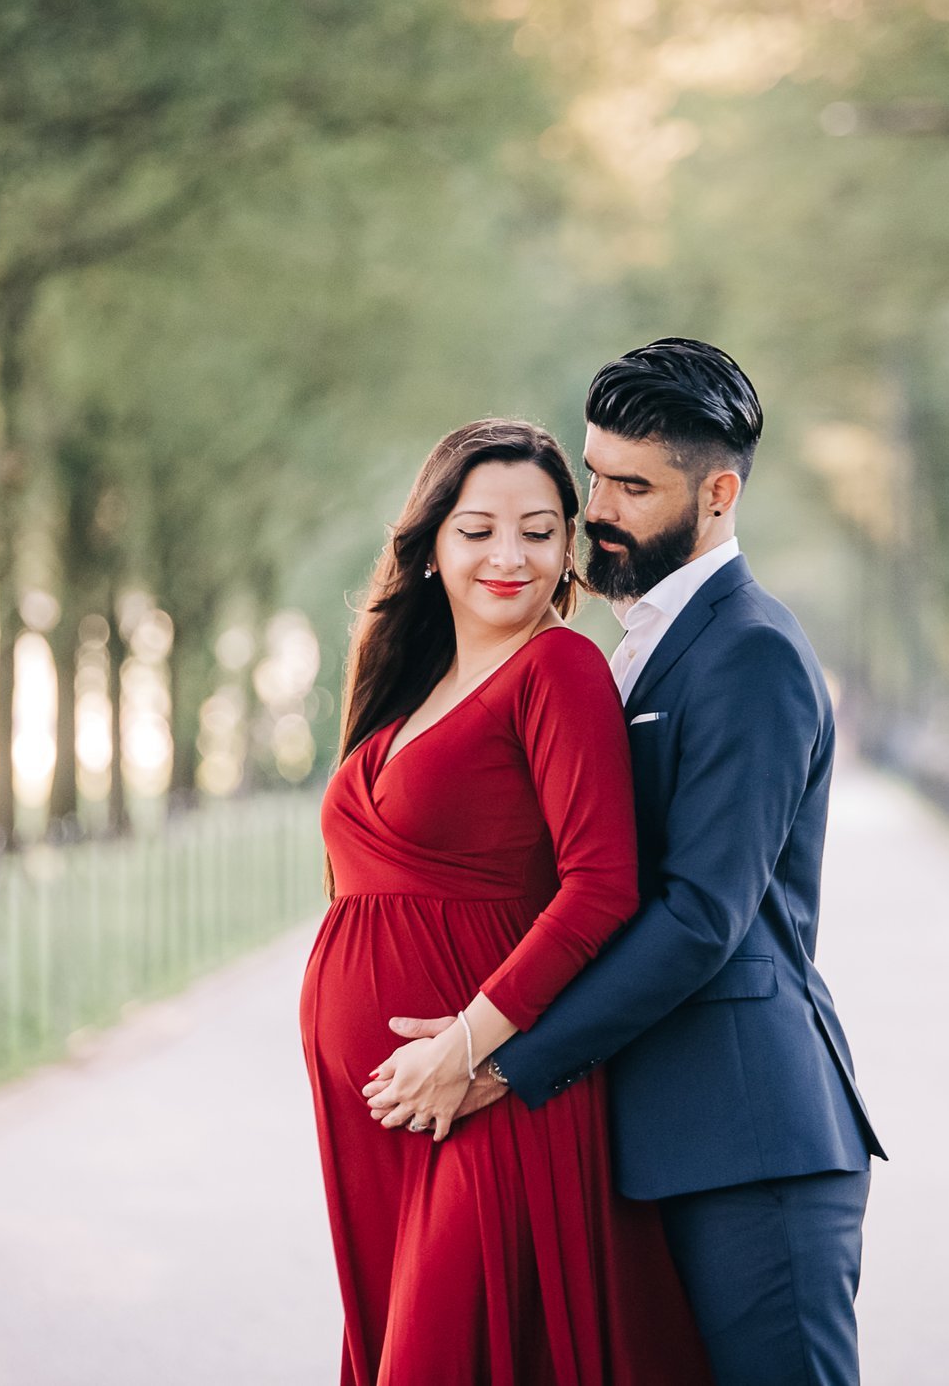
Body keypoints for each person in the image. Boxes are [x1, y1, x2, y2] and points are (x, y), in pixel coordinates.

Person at [369, 340, 885, 1385]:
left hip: (752, 1146)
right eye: (595, 473)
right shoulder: (637, 642)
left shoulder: (749, 651)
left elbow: (700, 915)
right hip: (657, 1138)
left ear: (718, 493)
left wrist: (497, 1061)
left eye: (633, 486)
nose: (596, 506)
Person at [301, 416, 709, 1385]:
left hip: (482, 1098)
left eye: (538, 529)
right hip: (382, 1118)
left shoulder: (557, 670)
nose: (508, 556)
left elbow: (602, 886)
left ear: (570, 546)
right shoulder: (408, 689)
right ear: (432, 542)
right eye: (478, 529)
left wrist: (469, 1045)